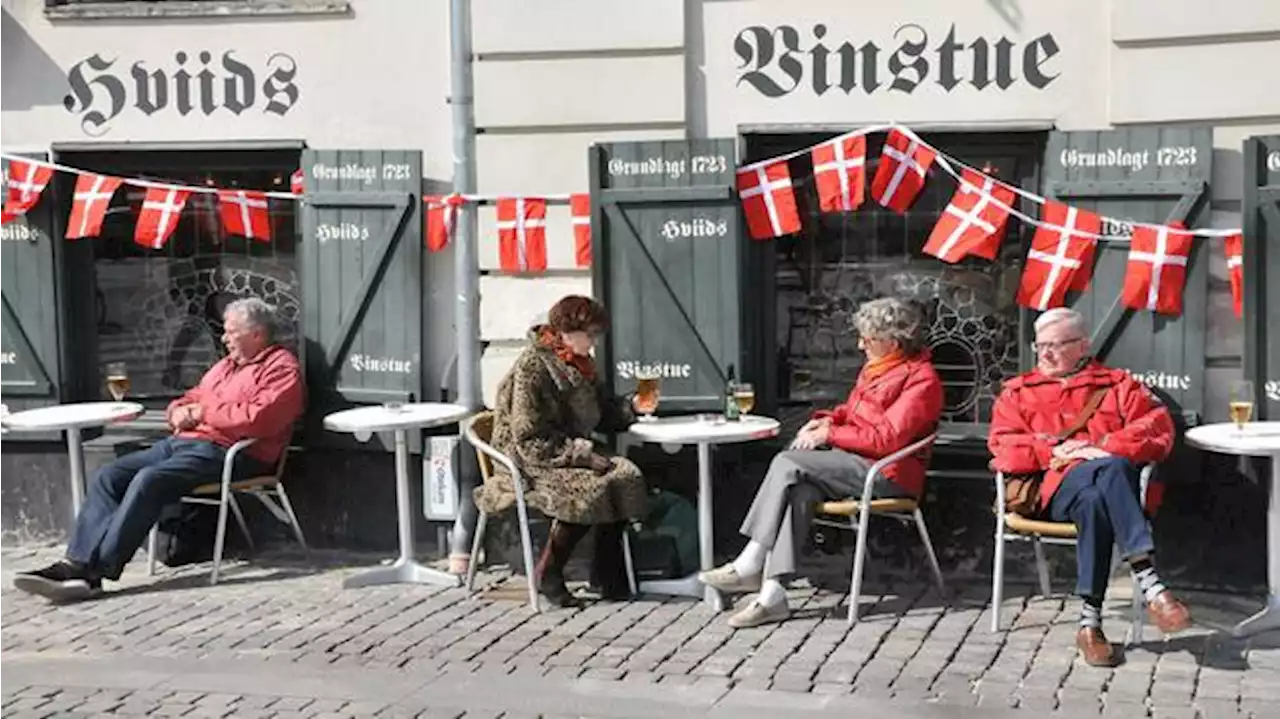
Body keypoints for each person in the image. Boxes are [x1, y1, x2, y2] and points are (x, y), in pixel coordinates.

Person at [14, 298, 304, 602]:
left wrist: (203, 412)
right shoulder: (224, 367)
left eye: (231, 332)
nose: (224, 338)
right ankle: (76, 562)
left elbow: (256, 418)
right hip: (183, 443)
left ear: (256, 334)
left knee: (149, 480)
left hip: (232, 452)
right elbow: (190, 397)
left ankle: (94, 572)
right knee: (109, 475)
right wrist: (177, 411)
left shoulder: (282, 369)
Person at [700, 297, 944, 628]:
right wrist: (825, 420)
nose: (860, 345)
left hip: (887, 473)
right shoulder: (877, 369)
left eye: (867, 339)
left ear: (894, 341)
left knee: (787, 462)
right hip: (853, 463)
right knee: (799, 491)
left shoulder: (923, 381)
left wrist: (830, 435)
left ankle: (750, 562)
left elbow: (887, 440)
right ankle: (772, 594)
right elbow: (854, 413)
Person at [988, 307, 1191, 667]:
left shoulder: (1118, 386)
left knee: (1099, 491)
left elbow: (1158, 431)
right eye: (1041, 346)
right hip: (1050, 493)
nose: (1046, 354)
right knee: (1110, 469)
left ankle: (1090, 624)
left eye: (1057, 345)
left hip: (1098, 496)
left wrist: (1101, 448)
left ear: (1083, 344)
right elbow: (1002, 447)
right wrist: (1052, 450)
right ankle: (1148, 579)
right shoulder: (1018, 394)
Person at [476, 295, 647, 607]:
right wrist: (579, 456)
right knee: (587, 489)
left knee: (625, 476)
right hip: (529, 458)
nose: (593, 343)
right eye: (589, 335)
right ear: (567, 331)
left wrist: (631, 406)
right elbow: (528, 434)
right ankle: (549, 573)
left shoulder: (581, 364)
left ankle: (607, 573)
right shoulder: (534, 366)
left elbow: (603, 412)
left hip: (564, 449)